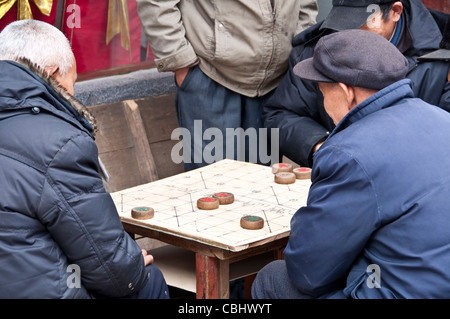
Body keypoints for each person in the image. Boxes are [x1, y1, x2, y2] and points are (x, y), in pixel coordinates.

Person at [252, 29, 450, 299]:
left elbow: (309, 273)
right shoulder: (441, 119)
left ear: (346, 92)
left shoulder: (348, 153)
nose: (323, 102)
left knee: (274, 277)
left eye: (322, 92)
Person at [0, 20, 169, 299]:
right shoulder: (59, 144)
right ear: (52, 74)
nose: (74, 93)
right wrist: (134, 267)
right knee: (148, 281)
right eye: (73, 82)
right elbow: (112, 270)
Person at [264, 0, 450, 168]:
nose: (350, 36)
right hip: (339, 173)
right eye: (344, 23)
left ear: (395, 11)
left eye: (360, 24)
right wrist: (323, 146)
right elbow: (281, 115)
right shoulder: (315, 49)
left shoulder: (442, 55)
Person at [136, 0, 318, 171]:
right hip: (210, 77)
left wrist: (300, 45)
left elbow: (305, 6)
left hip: (275, 81)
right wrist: (180, 62)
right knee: (214, 191)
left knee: (263, 189)